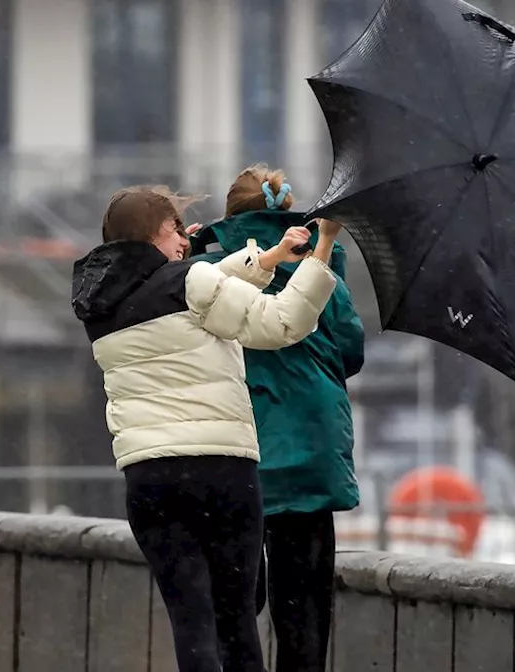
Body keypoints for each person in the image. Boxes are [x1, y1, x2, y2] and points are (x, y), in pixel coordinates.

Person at [71, 184, 343, 672]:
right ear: (157, 233)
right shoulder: (188, 281)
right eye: (176, 229)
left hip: (149, 481)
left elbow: (195, 290)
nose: (184, 238)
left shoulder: (102, 304)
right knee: (235, 621)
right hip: (220, 472)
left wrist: (271, 258)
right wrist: (322, 247)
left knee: (191, 622)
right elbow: (283, 323)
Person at [192, 165, 366, 672]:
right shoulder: (322, 258)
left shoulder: (211, 265)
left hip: (239, 442)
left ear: (231, 213)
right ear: (287, 209)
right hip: (311, 438)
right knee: (305, 608)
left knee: (235, 601)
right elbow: (350, 352)